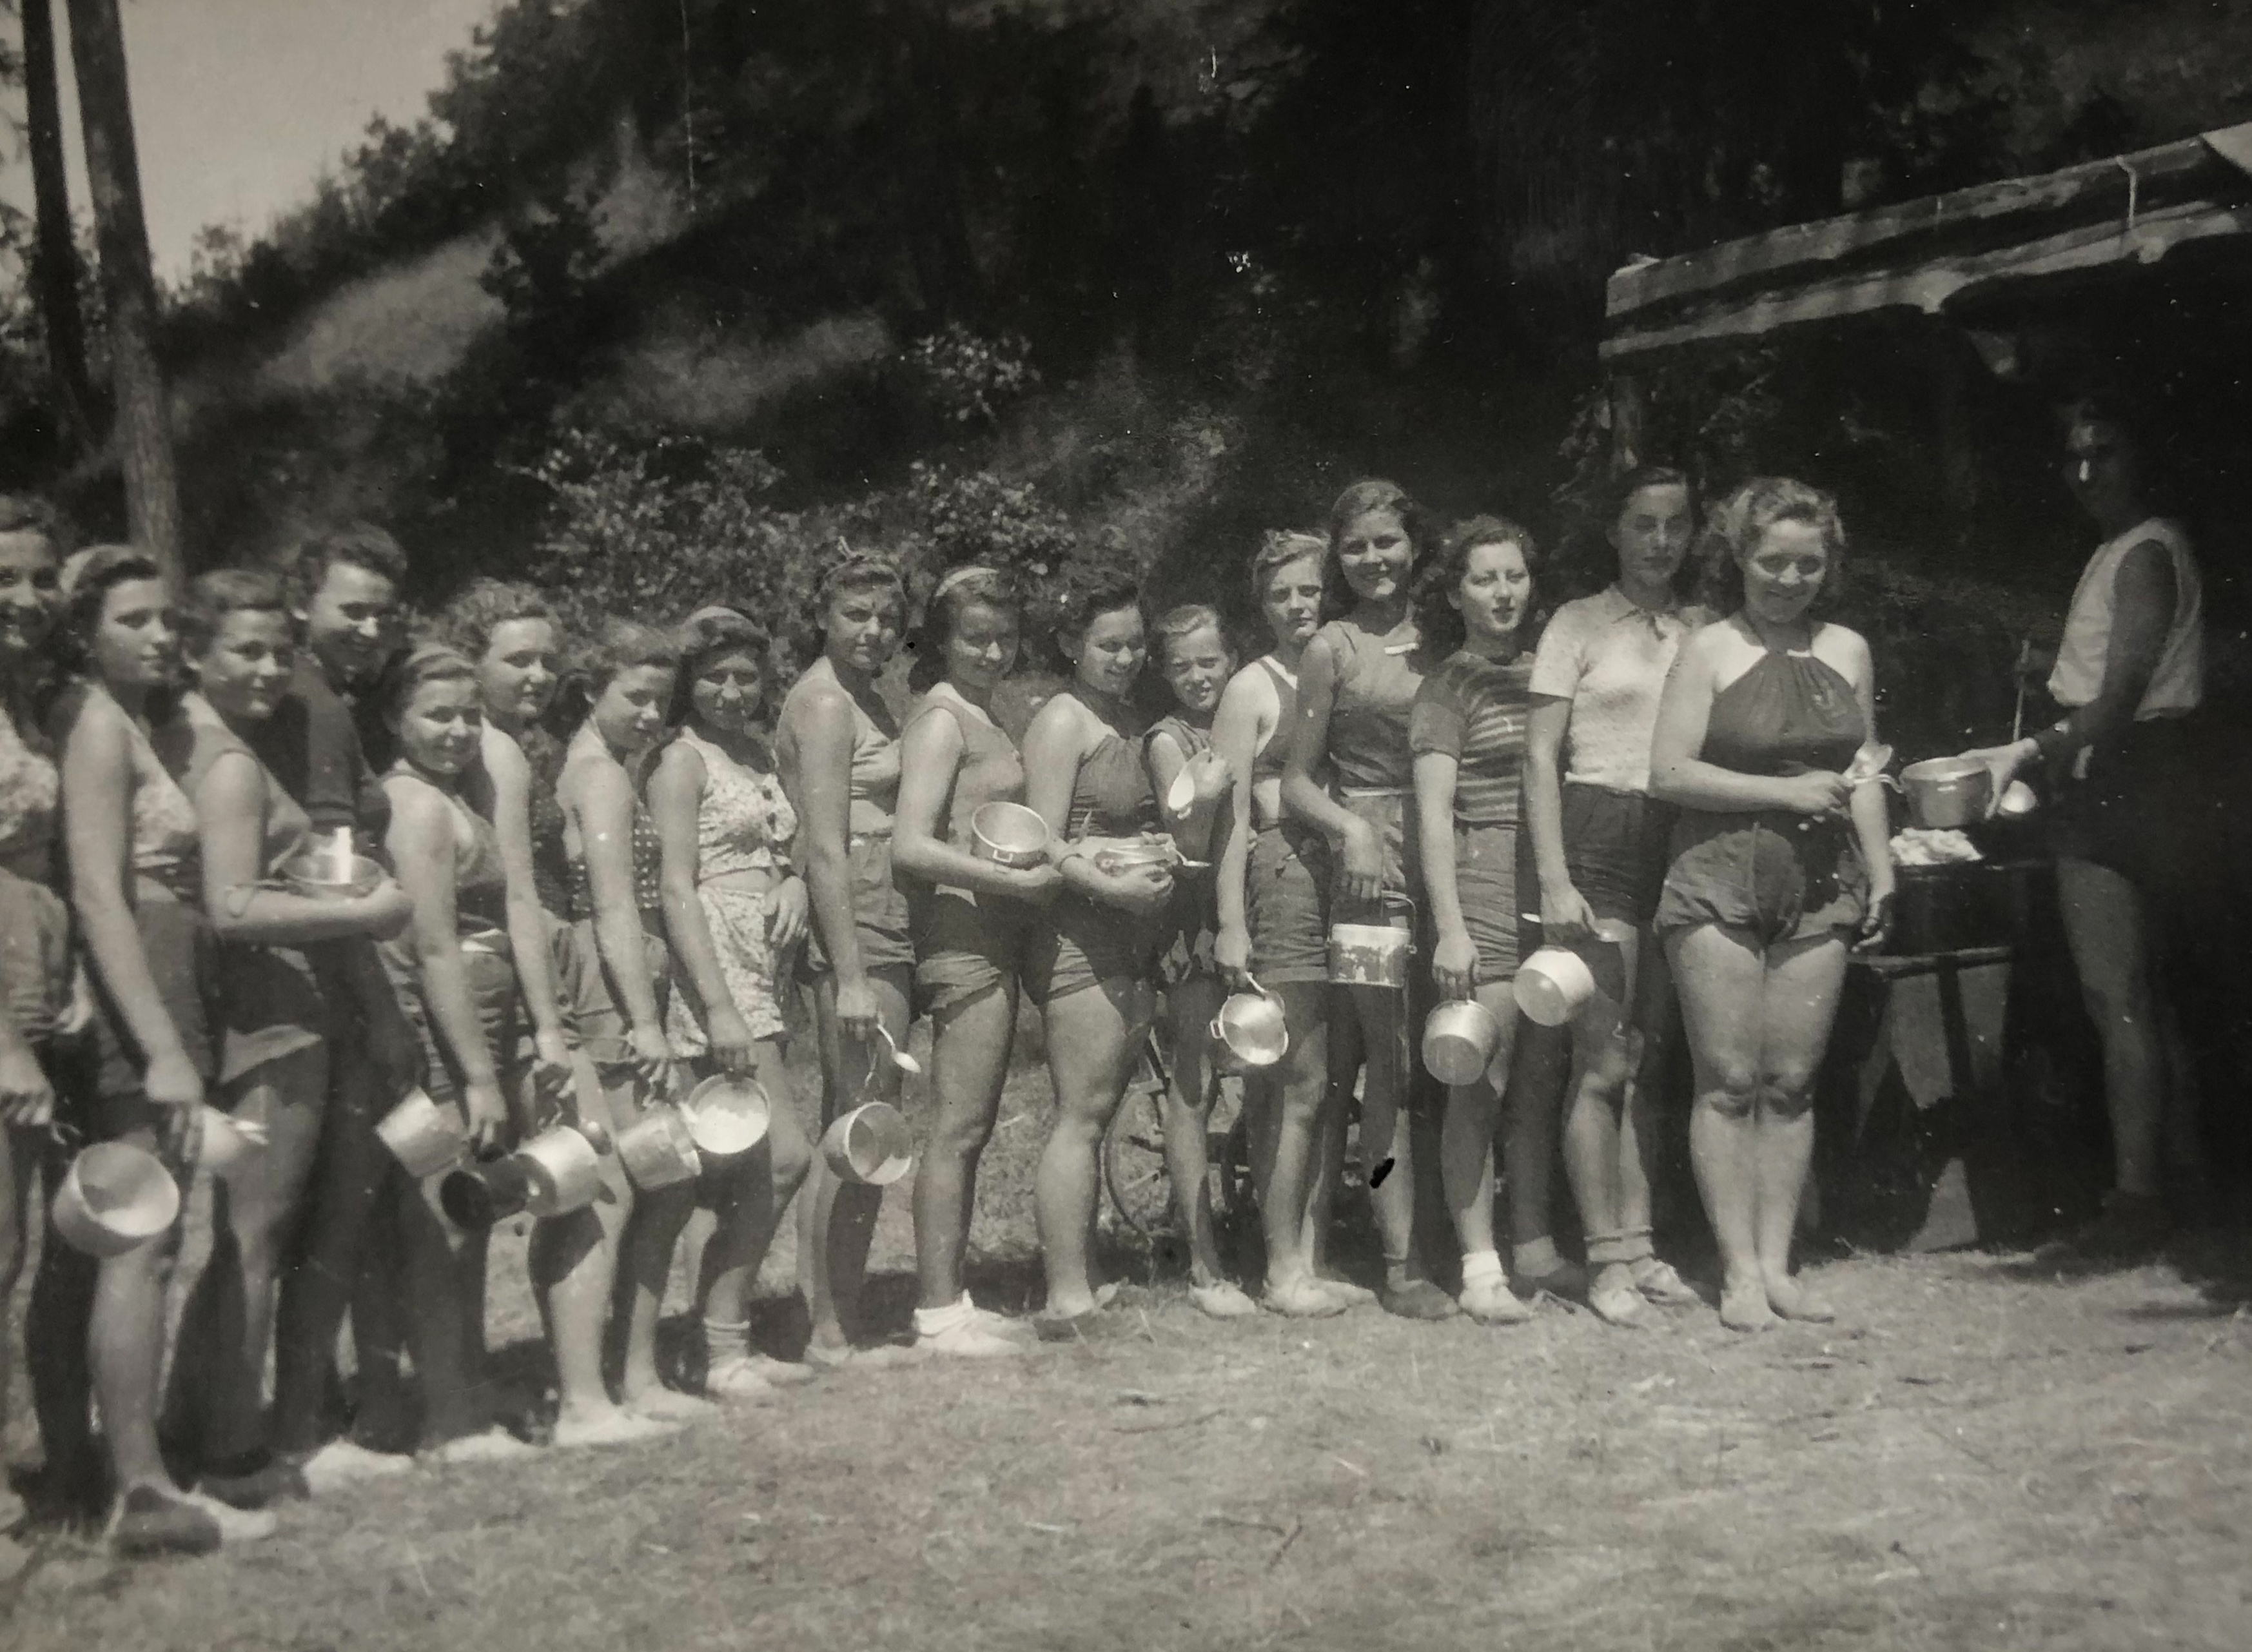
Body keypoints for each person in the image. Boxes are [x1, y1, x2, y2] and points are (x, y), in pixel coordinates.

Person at [165, 571, 415, 1508]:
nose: (272, 669)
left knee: (248, 1236)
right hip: (272, 1013)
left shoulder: (196, 735)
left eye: (278, 651)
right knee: (257, 1237)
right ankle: (235, 1454)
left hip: (264, 1006)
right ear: (196, 652)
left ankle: (200, 1427)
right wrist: (371, 912)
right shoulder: (231, 761)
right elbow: (233, 905)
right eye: (248, 651)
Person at [54, 547, 272, 1553]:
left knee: (152, 1236)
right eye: (131, 620)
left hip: (168, 980)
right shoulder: (99, 726)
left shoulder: (129, 716)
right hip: (141, 991)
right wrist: (162, 1051)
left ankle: (133, 1470)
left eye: (165, 619)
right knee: (141, 1239)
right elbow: (100, 894)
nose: (158, 636)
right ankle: (139, 1489)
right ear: (85, 632)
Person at [1649, 478, 1893, 1332]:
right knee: (1728, 1080)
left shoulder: (1849, 649)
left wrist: (1881, 868)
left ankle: (1780, 1265)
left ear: (1829, 567)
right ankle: (1739, 1272)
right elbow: (1668, 771)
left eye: (1808, 564)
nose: (1789, 579)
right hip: (1718, 876)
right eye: (1772, 562)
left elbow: (1862, 772)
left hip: (1820, 884)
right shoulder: (1708, 648)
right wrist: (1783, 793)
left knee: (1790, 1084)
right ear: (1740, 559)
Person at [1961, 402, 2205, 1254]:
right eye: (2073, 456)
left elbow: (2122, 696)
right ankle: (2179, 1180)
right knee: (2138, 993)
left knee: (2115, 994)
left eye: (2105, 452)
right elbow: (2112, 665)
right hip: (2133, 773)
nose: (2086, 472)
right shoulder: (2120, 549)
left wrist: (2021, 750)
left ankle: (2138, 1199)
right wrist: (2046, 665)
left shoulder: (2144, 552)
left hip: (2125, 775)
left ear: (2141, 456)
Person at [442, 582, 667, 1446]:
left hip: (522, 973)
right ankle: (579, 1401)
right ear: (472, 662)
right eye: (516, 659)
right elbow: (516, 897)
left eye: (546, 658)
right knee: (585, 1179)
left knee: (555, 1184)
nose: (538, 674)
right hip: (526, 983)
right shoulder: (496, 751)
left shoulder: (504, 742)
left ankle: (547, 1390)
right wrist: (549, 1023)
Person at [1521, 467, 1708, 1323]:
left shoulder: (1704, 629)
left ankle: (1640, 1244)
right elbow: (1539, 757)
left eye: (1675, 525)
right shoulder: (1577, 623)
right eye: (1642, 524)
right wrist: (1554, 876)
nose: (1659, 541)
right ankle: (1603, 1260)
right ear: (1615, 532)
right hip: (1597, 834)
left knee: (1649, 1057)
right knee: (1600, 1059)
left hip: (1681, 834)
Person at [260, 524, 426, 1480]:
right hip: (327, 982)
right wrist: (383, 1009)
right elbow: (329, 881)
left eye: (383, 614)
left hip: (305, 972)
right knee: (331, 1219)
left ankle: (306, 1410)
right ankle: (299, 1430)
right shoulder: (316, 706)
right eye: (351, 609)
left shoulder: (312, 695)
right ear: (300, 602)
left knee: (313, 1217)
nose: (370, 628)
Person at [1281, 480, 1454, 1321]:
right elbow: (1294, 779)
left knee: (1453, 1052)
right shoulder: (1331, 647)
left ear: (1414, 544)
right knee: (1388, 1069)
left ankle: (1464, 1240)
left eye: (1387, 541)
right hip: (1367, 884)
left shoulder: (1451, 630)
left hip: (1456, 866)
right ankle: (1401, 1261)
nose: (1373, 558)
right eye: (1355, 547)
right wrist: (1350, 827)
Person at [376, 644, 543, 1458]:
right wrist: (477, 1076)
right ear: (393, 719)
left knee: (469, 1210)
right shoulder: (414, 806)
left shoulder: (445, 794)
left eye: (470, 716)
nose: (458, 731)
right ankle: (448, 1415)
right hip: (445, 1030)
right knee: (443, 1216)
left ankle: (465, 1388)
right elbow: (433, 946)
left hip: (479, 1017)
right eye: (437, 715)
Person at [649, 606, 819, 1396]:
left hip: (763, 959)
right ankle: (719, 1345)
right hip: (715, 964)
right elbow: (675, 885)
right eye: (714, 677)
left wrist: (791, 883)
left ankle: (713, 1347)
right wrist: (716, 1006)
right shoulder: (680, 762)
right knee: (779, 1157)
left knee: (732, 1169)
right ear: (688, 681)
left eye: (746, 677)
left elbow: (775, 847)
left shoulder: (750, 753)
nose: (730, 691)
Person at [890, 566, 1055, 1357]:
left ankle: (950, 1297)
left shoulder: (983, 711)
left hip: (990, 932)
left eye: (1005, 638)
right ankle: (935, 1314)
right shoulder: (942, 720)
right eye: (974, 639)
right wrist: (1013, 885)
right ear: (942, 641)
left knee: (974, 1124)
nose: (993, 653)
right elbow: (911, 845)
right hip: (960, 937)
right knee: (956, 1127)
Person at [1213, 531, 1368, 1317]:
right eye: (1281, 595)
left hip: (1353, 882)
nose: (1298, 605)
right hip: (1284, 880)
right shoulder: (1251, 688)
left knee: (1334, 1081)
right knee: (1294, 1080)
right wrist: (1231, 922)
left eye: (1309, 590)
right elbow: (1231, 817)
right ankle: (1280, 1269)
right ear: (1261, 606)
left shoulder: (1342, 665)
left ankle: (1312, 1254)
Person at [558, 621, 710, 1417]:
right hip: (610, 993)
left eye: (662, 701)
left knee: (663, 1179)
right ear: (591, 690)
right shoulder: (601, 778)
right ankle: (611, 1384)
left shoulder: (607, 766)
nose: (652, 715)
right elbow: (613, 907)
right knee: (639, 1179)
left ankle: (633, 1375)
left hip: (625, 986)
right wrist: (645, 1026)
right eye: (636, 697)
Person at [775, 556, 919, 1367]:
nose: (873, 630)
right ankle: (830, 1327)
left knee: (863, 1111)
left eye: (887, 617)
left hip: (879, 899)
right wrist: (852, 975)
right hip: (856, 907)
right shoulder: (827, 701)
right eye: (855, 614)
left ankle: (836, 1314)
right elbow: (824, 847)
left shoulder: (863, 694)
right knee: (859, 1117)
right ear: (821, 616)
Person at [1021, 572, 1174, 1331]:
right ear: (1069, 645)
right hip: (1078, 932)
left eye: (1135, 644)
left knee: (1101, 1106)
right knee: (1079, 1114)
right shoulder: (1061, 720)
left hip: (1128, 929)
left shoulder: (1125, 716)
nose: (1124, 659)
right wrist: (1113, 888)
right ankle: (1064, 1295)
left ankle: (1084, 1272)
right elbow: (1041, 842)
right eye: (1108, 645)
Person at [1409, 518, 1540, 1326]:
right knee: (1479, 1078)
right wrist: (1451, 927)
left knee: (1541, 1077)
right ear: (1455, 594)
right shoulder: (1447, 686)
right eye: (1484, 579)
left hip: (1550, 876)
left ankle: (1537, 1246)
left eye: (1514, 576)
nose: (1502, 593)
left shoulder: (1546, 672)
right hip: (1481, 877)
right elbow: (1432, 815)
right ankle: (1480, 1268)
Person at [0, 501, 93, 1533]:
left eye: (39, 577)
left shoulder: (23, 695)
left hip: (36, 979)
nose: (26, 598)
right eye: (3, 579)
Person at [1144, 602, 1257, 1318]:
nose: (1197, 677)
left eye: (1209, 662)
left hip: (1251, 909)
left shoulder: (1244, 719)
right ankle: (1203, 1262)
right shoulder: (1169, 740)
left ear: (1231, 660)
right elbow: (1184, 840)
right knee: (1195, 1085)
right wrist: (1207, 794)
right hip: (1195, 925)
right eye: (1181, 666)